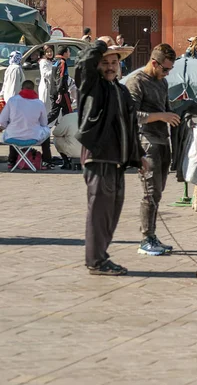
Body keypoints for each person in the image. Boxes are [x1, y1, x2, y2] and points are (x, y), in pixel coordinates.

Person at [75, 37, 145, 276]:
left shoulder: (121, 90)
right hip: (99, 158)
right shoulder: (92, 86)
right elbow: (83, 63)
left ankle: (101, 257)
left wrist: (139, 156)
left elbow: (130, 126)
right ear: (97, 65)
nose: (109, 67)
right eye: (104, 62)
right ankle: (95, 261)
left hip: (117, 161)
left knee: (111, 214)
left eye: (113, 62)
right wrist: (100, 45)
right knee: (99, 213)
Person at [126, 43, 180, 256]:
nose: (167, 73)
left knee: (157, 192)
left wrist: (179, 113)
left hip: (163, 141)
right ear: (154, 63)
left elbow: (166, 109)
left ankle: (152, 235)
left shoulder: (162, 82)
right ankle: (146, 238)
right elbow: (130, 115)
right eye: (165, 69)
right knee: (150, 192)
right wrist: (160, 116)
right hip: (146, 142)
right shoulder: (136, 82)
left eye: (170, 70)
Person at [0, 80, 53, 170]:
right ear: (34, 89)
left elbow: (2, 120)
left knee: (12, 130)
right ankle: (46, 162)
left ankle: (11, 161)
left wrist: (6, 126)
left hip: (13, 137)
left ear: (21, 89)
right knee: (47, 132)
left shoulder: (12, 101)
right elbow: (44, 123)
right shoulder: (39, 103)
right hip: (33, 137)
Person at [47, 47, 72, 125]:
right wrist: (60, 93)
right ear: (64, 53)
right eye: (68, 52)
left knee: (54, 112)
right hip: (62, 92)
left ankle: (41, 124)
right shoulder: (62, 63)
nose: (69, 53)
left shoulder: (55, 62)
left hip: (53, 91)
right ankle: (67, 129)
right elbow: (60, 78)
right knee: (68, 112)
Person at [38, 45, 54, 113]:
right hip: (46, 87)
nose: (49, 53)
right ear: (45, 53)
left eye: (51, 51)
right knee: (45, 107)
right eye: (47, 52)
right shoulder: (43, 62)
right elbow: (45, 75)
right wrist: (55, 69)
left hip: (51, 87)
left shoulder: (51, 62)